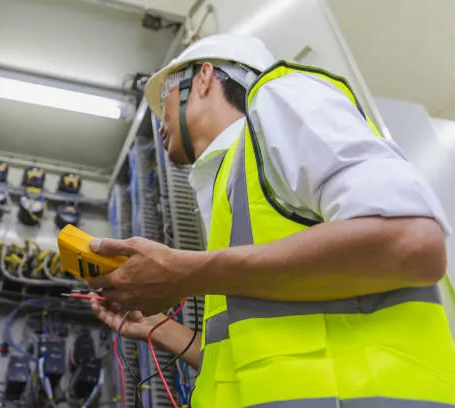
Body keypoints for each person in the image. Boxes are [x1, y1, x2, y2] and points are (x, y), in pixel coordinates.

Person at [89, 34, 455, 407]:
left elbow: (412, 243)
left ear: (203, 77)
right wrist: (158, 328)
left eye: (163, 93)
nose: (159, 115)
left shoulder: (280, 98)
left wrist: (184, 272)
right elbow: (254, 363)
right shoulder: (230, 187)